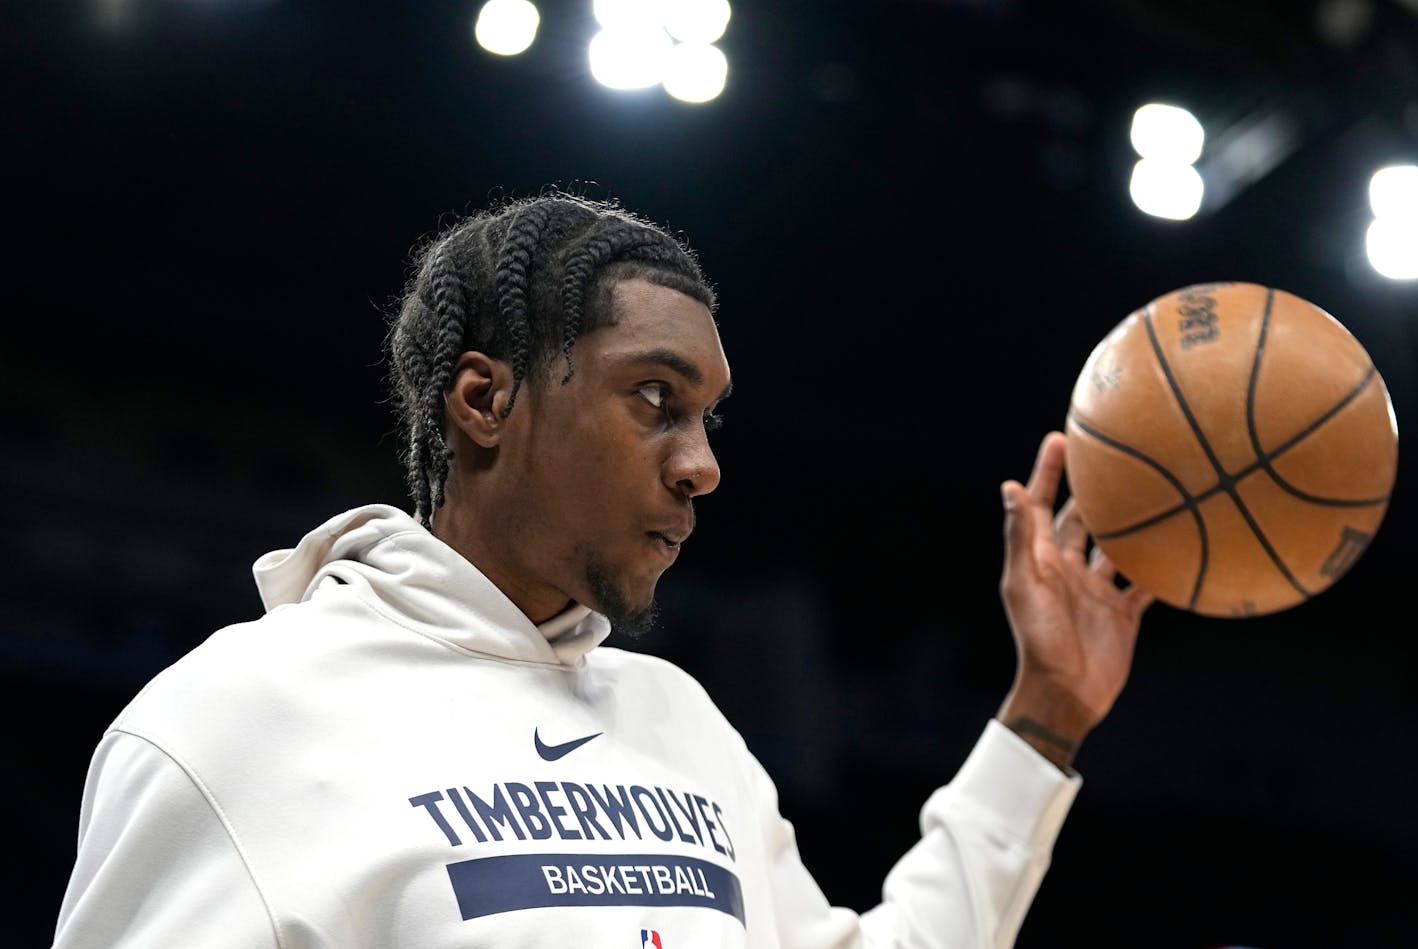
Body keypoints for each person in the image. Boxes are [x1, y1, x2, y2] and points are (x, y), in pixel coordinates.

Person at [51, 192, 1154, 948]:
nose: (703, 465)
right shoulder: (231, 720)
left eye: (710, 417)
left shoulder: (677, 720)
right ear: (484, 401)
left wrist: (1042, 717)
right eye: (654, 401)